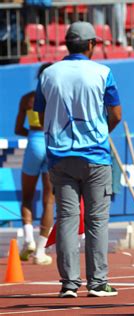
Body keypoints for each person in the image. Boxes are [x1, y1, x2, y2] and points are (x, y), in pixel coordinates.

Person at [33, 21, 122, 298]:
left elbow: (38, 113)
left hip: (60, 155)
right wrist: (98, 132)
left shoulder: (48, 74)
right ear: (92, 45)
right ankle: (97, 283)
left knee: (67, 219)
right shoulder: (103, 72)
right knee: (97, 220)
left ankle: (69, 283)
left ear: (67, 44)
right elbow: (116, 114)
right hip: (95, 154)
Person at [14, 62, 54, 265]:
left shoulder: (28, 99)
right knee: (49, 200)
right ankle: (40, 251)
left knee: (27, 196)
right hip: (53, 143)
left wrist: (32, 132)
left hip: (34, 141)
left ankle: (28, 240)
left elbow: (18, 128)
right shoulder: (57, 99)